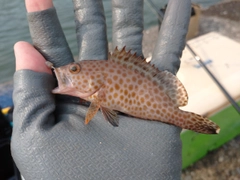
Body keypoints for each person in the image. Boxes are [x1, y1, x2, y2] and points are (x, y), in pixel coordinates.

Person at [11, 0, 191, 179]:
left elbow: (100, 107)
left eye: (75, 69)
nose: (69, 71)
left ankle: (187, 120)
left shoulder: (98, 94)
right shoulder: (97, 91)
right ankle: (187, 120)